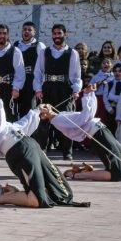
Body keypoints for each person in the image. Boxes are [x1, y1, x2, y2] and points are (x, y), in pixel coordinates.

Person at [41, 84, 121, 181]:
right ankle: (77, 175)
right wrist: (86, 96)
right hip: (98, 134)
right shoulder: (58, 120)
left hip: (101, 130)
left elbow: (90, 114)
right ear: (43, 116)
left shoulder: (60, 115)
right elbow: (84, 118)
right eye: (43, 108)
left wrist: (90, 94)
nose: (46, 105)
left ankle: (84, 172)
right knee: (117, 174)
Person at [34, 23, 82, 160]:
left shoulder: (72, 53)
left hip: (64, 88)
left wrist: (75, 90)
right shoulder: (44, 52)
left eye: (59, 33)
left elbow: (76, 75)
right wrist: (38, 88)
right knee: (43, 120)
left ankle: (67, 152)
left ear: (65, 34)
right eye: (54, 33)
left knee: (66, 119)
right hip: (48, 88)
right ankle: (42, 150)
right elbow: (38, 72)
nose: (57, 36)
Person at [13, 22, 45, 119]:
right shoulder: (15, 45)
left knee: (28, 110)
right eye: (24, 29)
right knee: (14, 108)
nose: (26, 32)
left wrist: (40, 85)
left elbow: (43, 67)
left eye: (29, 30)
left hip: (31, 82)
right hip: (17, 81)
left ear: (34, 32)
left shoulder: (39, 46)